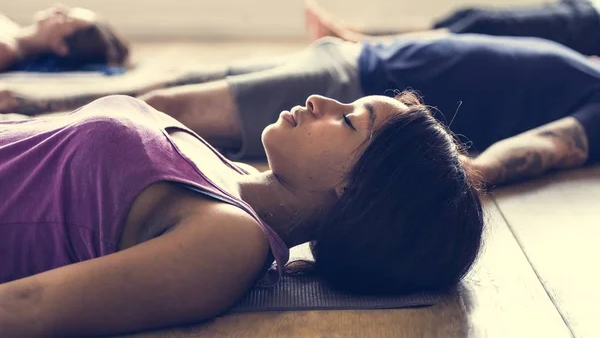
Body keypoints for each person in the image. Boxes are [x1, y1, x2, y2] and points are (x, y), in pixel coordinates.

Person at [0, 93, 484, 336]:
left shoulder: (228, 242)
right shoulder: (232, 171)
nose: (321, 101)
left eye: (349, 120)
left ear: (355, 189)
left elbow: (31, 306)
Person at [2, 0, 599, 188]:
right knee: (188, 88)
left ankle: (32, 133)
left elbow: (549, 146)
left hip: (357, 87)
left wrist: (456, 176)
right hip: (358, 66)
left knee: (163, 111)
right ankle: (35, 111)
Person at [305, 0, 600, 56]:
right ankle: (359, 35)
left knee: (482, 25)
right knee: (465, 16)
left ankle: (359, 42)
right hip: (587, 6)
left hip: (589, 23)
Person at [0, 4, 130, 74]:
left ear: (61, 46)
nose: (58, 8)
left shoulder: (5, 50)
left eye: (66, 17)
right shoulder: (11, 28)